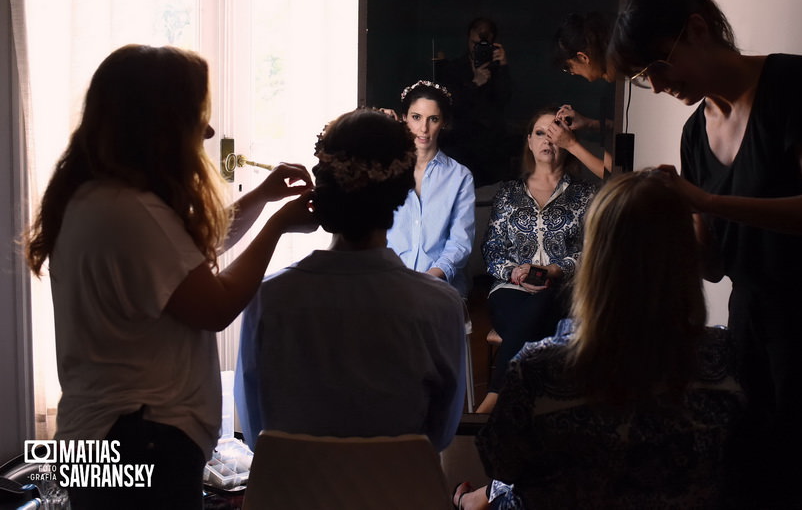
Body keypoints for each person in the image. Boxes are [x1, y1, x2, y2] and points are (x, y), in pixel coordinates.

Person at [608, 0, 802, 508]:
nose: (657, 84)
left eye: (658, 65)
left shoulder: (791, 81)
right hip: (755, 324)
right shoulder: (696, 133)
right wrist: (655, 217)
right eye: (644, 76)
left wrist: (708, 202)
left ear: (696, 30)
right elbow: (713, 263)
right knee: (757, 480)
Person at [23, 44, 315, 510]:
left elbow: (185, 253)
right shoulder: (131, 211)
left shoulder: (98, 198)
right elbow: (216, 306)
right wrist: (278, 226)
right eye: (197, 113)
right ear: (159, 123)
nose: (210, 129)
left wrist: (261, 197)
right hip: (138, 440)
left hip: (103, 436)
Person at [455, 170, 744, 510]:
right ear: (686, 256)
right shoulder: (728, 359)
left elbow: (502, 463)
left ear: (595, 259)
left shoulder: (540, 369)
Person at [235, 109, 467, 453]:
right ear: (403, 194)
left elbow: (256, 434)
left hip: (292, 492)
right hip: (398, 490)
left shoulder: (268, 297)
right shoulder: (439, 305)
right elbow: (441, 435)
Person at [477, 107, 598, 414]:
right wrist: (514, 272)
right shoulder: (508, 192)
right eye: (540, 133)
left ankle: (494, 397)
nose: (548, 140)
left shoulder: (585, 194)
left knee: (544, 300)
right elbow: (492, 249)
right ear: (529, 141)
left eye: (555, 133)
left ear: (566, 140)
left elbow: (592, 249)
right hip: (510, 289)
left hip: (562, 290)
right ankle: (541, 412)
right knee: (532, 318)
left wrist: (557, 269)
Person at [384, 80, 476, 296]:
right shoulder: (384, 170)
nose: (423, 128)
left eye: (432, 119)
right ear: (404, 117)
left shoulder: (459, 176)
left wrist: (426, 281)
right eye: (416, 117)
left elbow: (459, 244)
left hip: (439, 287)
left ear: (443, 122)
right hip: (389, 282)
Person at [437, 17, 514, 186]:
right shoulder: (453, 69)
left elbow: (505, 98)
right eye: (474, 43)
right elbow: (449, 103)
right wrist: (474, 83)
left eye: (483, 44)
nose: (477, 48)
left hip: (491, 147)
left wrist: (503, 66)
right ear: (468, 38)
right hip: (461, 144)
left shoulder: (497, 68)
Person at [547, 12, 617, 179]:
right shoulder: (622, 85)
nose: (572, 73)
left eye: (569, 67)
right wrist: (589, 123)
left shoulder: (614, 96)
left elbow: (612, 174)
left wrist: (571, 144)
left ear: (583, 57)